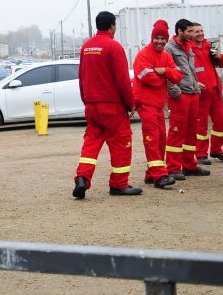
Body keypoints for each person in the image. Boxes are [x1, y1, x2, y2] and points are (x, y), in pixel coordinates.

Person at [72, 11, 142, 198]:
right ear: (112, 26)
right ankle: (119, 184)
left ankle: (82, 178)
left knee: (91, 143)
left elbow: (81, 77)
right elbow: (122, 81)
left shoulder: (86, 47)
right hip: (112, 106)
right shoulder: (113, 47)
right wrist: (131, 104)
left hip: (92, 105)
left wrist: (87, 100)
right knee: (121, 143)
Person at [132, 20, 182, 189]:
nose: (160, 41)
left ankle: (151, 174)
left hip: (158, 104)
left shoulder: (166, 56)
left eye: (163, 38)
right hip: (146, 103)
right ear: (152, 38)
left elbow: (177, 76)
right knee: (152, 139)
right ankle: (160, 175)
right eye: (157, 38)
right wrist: (164, 75)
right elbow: (147, 77)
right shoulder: (143, 54)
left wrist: (163, 71)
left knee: (161, 139)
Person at [164, 19, 209, 179]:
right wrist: (176, 93)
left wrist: (196, 85)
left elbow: (190, 70)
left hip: (193, 93)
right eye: (189, 31)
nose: (192, 34)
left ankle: (189, 165)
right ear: (179, 31)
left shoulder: (188, 46)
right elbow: (168, 73)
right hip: (180, 95)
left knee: (191, 132)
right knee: (177, 132)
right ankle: (173, 168)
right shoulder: (169, 48)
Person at [192, 24, 223, 164]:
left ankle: (216, 150)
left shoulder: (209, 46)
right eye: (197, 31)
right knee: (201, 125)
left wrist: (220, 56)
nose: (200, 34)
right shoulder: (188, 49)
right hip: (201, 94)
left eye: (201, 31)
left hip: (215, 91)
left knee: (221, 122)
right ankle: (201, 153)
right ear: (190, 33)